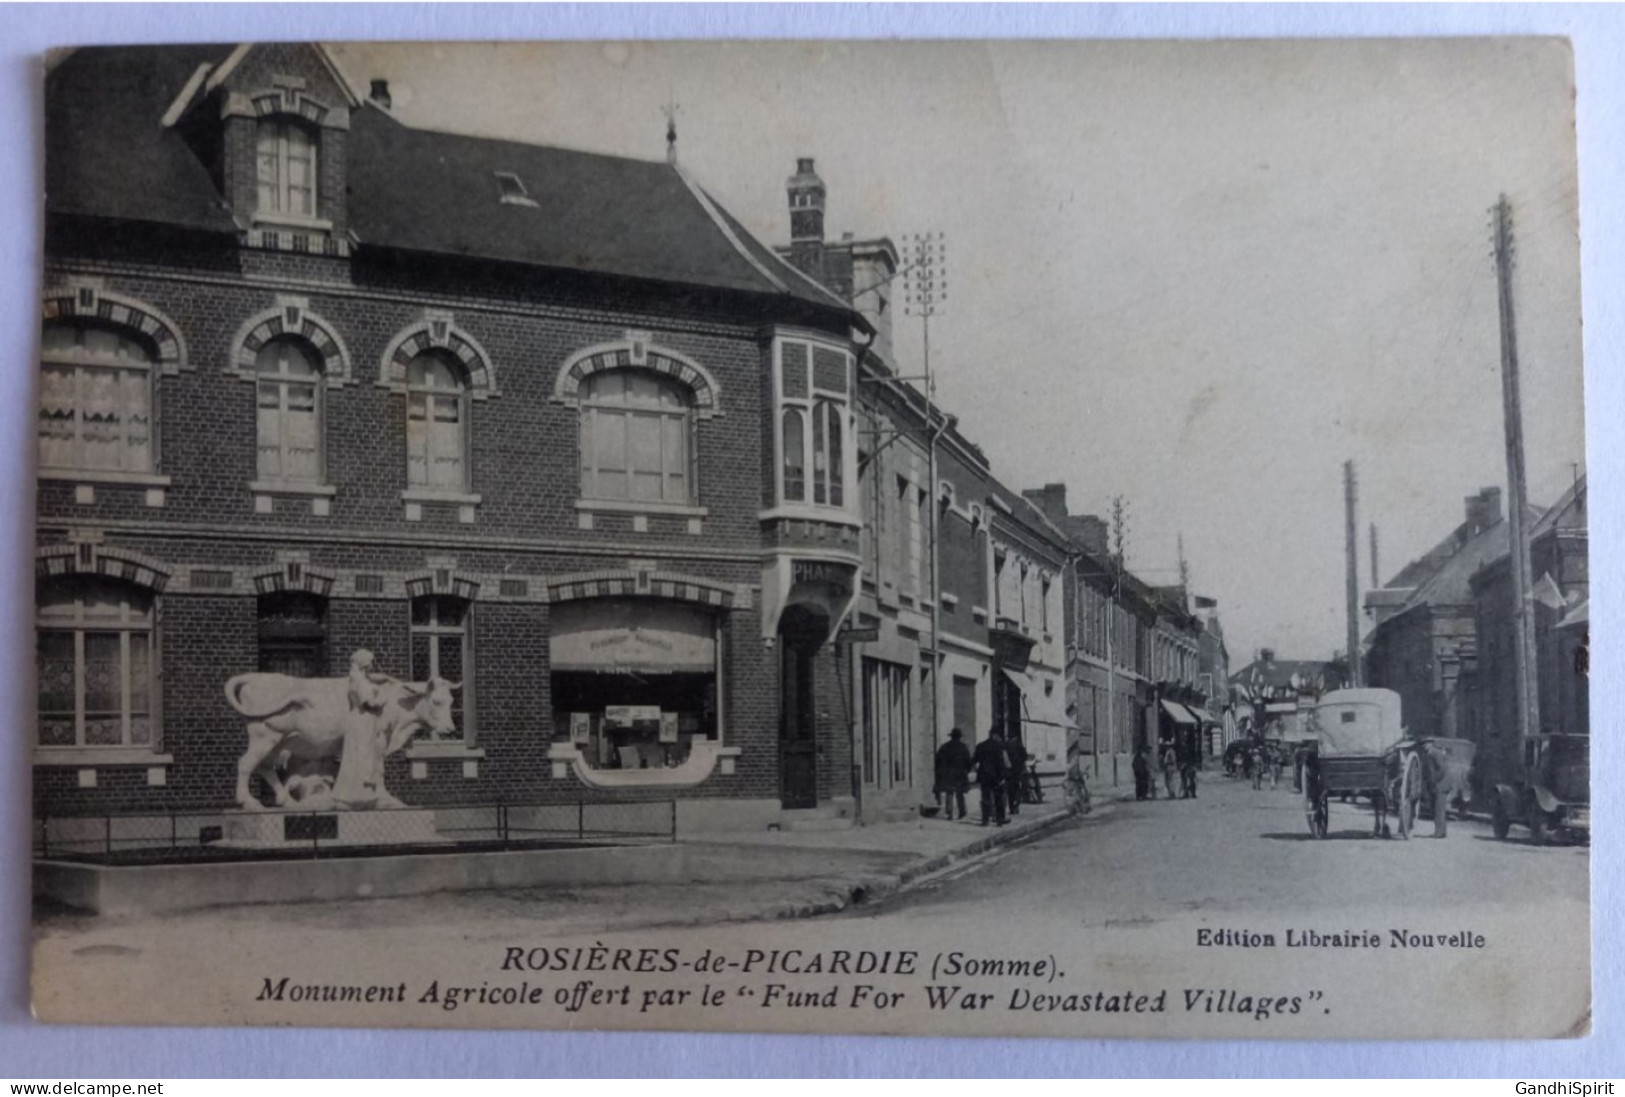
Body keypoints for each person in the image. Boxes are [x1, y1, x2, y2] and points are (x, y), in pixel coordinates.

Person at [972, 728, 1010, 826]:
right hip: (996, 776)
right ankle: (999, 820)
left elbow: (974, 760)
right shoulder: (999, 747)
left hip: (984, 776)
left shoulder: (980, 746)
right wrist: (1002, 777)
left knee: (985, 798)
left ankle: (985, 820)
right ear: (995, 735)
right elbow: (1001, 763)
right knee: (998, 798)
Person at [933, 729, 973, 821]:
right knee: (960, 793)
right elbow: (968, 761)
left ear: (951, 736)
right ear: (959, 737)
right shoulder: (963, 747)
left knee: (949, 793)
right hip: (960, 773)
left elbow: (938, 760)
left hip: (949, 773)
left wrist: (941, 772)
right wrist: (967, 770)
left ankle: (950, 813)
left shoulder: (945, 747)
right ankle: (962, 812)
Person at [1423, 741, 1450, 838]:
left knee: (1439, 809)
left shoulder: (1434, 753)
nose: (1424, 746)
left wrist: (1434, 780)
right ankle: (1441, 831)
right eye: (1423, 744)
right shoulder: (1431, 753)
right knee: (1438, 809)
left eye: (1426, 743)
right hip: (1439, 785)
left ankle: (1439, 832)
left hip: (1440, 785)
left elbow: (1442, 768)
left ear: (1431, 744)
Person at [1003, 735, 1029, 817]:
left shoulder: (1006, 745)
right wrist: (1020, 763)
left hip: (1009, 771)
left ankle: (1012, 807)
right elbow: (1025, 756)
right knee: (1017, 789)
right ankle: (1016, 806)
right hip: (1017, 771)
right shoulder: (1019, 746)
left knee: (1010, 791)